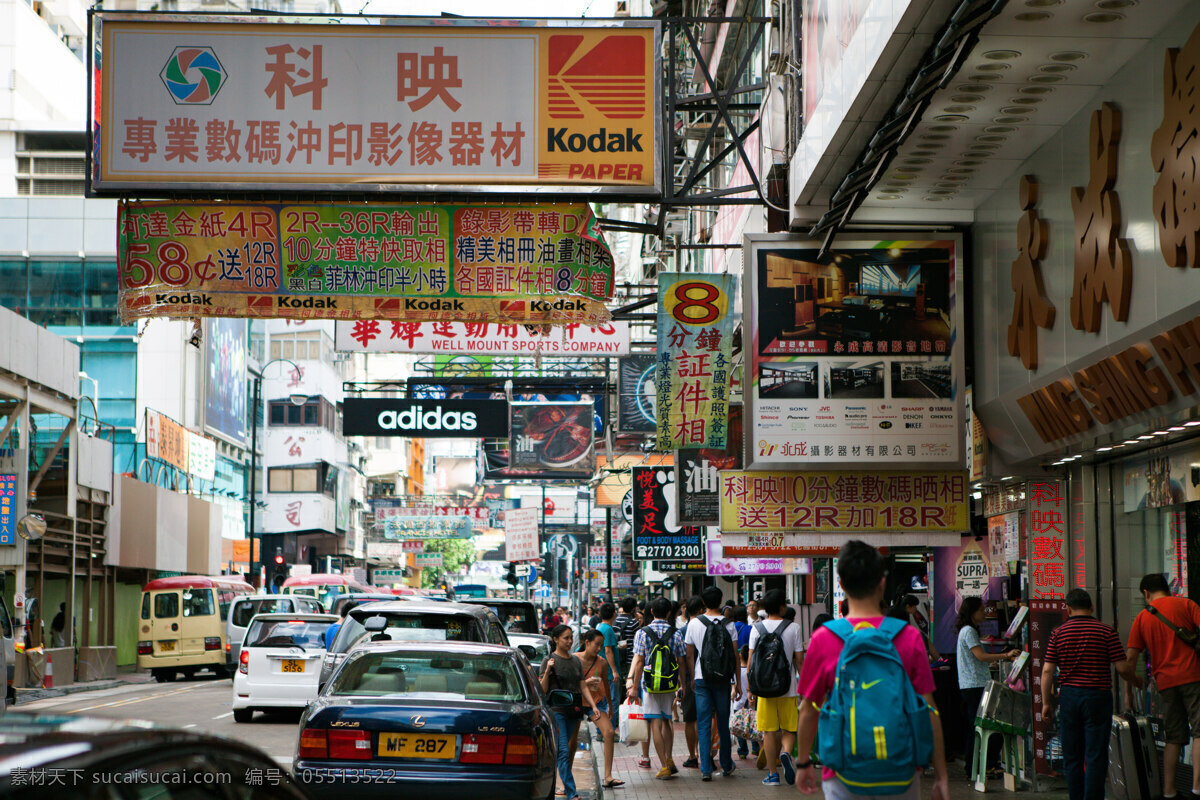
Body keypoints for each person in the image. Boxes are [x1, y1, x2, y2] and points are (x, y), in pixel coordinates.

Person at [795, 540, 950, 800]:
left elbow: (808, 708)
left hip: (842, 772)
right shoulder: (908, 637)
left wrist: (803, 763)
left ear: (841, 585)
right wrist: (942, 776)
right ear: (882, 583)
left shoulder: (823, 639)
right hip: (902, 770)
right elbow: (929, 709)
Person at [1043, 588, 1140, 800]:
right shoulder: (1106, 631)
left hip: (1069, 697)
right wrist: (1136, 681)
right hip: (1098, 697)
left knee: (1072, 754)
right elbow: (1122, 668)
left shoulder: (1058, 633)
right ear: (1091, 607)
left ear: (1067, 609)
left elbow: (1048, 671)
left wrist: (1046, 702)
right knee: (1096, 754)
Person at [1125, 573, 1200, 800]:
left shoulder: (1141, 618)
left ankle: (1169, 791)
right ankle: (1197, 788)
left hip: (1166, 684)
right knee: (1199, 731)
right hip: (1193, 677)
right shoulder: (1187, 604)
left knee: (1173, 737)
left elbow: (1130, 662)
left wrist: (1130, 691)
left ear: (1146, 593)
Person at [956, 596, 1020, 777]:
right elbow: (981, 657)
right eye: (981, 609)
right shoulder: (968, 631)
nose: (984, 612)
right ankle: (977, 766)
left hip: (973, 685)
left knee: (977, 727)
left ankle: (977, 766)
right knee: (982, 726)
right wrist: (1005, 655)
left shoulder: (968, 631)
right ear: (972, 612)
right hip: (974, 685)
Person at [747, 588, 805, 785]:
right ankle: (787, 753)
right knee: (790, 729)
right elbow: (799, 660)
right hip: (787, 688)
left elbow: (751, 661)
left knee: (769, 731)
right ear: (782, 606)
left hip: (764, 689)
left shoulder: (757, 628)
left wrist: (749, 689)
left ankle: (772, 775)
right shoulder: (794, 628)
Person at [627, 597, 686, 780]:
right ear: (669, 613)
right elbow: (681, 662)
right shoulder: (675, 633)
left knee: (655, 723)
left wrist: (634, 687)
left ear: (651, 612)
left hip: (650, 685)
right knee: (667, 720)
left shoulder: (642, 632)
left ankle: (663, 766)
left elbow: (638, 663)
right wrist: (683, 684)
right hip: (669, 684)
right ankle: (669, 759)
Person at [685, 585, 740, 781]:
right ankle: (726, 764)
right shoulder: (729, 624)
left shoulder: (694, 624)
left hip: (702, 678)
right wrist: (738, 683)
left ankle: (706, 768)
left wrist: (693, 677)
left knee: (704, 723)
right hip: (723, 679)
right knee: (723, 723)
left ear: (703, 603)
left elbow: (689, 655)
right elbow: (735, 656)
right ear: (720, 601)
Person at [540, 624, 600, 800]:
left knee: (562, 751)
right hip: (557, 711)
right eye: (565, 638)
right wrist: (549, 670)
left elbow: (582, 685)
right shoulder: (549, 660)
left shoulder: (575, 661)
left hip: (574, 711)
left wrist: (593, 706)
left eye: (571, 638)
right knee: (564, 751)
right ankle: (572, 792)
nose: (569, 641)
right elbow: (543, 690)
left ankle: (557, 786)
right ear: (556, 639)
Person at [576, 630, 623, 789]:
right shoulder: (575, 660)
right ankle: (565, 781)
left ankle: (608, 776)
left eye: (601, 646)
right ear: (587, 642)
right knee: (570, 743)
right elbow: (569, 685)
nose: (599, 648)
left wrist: (610, 705)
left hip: (597, 702)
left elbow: (606, 683)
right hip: (577, 702)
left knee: (609, 732)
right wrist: (586, 683)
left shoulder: (602, 662)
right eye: (596, 644)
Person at [680, 596, 703, 769]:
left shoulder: (683, 630)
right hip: (709, 677)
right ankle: (708, 754)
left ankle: (692, 756)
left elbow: (683, 658)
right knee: (707, 717)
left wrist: (684, 682)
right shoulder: (710, 626)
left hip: (689, 678)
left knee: (690, 719)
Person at [614, 597, 640, 701]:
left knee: (618, 687)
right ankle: (629, 708)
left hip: (617, 658)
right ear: (633, 609)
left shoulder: (615, 621)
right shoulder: (634, 622)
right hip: (630, 659)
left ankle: (619, 710)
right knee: (629, 686)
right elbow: (637, 640)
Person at [596, 603, 621, 710]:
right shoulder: (608, 629)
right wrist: (614, 671)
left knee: (603, 700)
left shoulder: (599, 626)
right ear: (614, 613)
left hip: (601, 668)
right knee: (612, 701)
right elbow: (608, 651)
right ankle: (609, 725)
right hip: (609, 672)